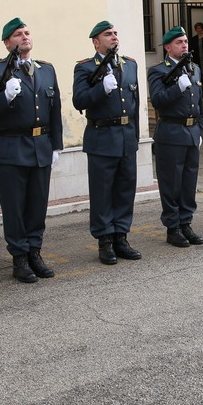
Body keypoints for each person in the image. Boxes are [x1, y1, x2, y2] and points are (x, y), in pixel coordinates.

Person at [0, 17, 63, 283]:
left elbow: (56, 110)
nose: (24, 37)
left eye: (27, 32)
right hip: (11, 147)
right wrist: (5, 97)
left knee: (37, 206)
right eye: (18, 34)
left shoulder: (46, 70)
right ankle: (19, 258)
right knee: (15, 207)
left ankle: (34, 252)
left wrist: (56, 145)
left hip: (40, 146)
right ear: (7, 43)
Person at [73, 21, 142, 265]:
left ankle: (121, 237)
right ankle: (104, 241)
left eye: (115, 33)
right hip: (102, 137)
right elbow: (79, 100)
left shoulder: (130, 64)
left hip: (126, 136)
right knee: (103, 193)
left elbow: (136, 104)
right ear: (95, 42)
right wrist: (101, 89)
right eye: (107, 34)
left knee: (125, 190)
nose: (113, 37)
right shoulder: (85, 68)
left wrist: (135, 138)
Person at [148, 26, 203, 247]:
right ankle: (173, 227)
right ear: (167, 47)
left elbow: (198, 104)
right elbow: (158, 100)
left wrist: (199, 129)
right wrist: (177, 88)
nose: (184, 45)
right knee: (171, 183)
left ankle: (186, 222)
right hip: (171, 132)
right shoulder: (159, 71)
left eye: (185, 41)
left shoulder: (195, 69)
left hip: (191, 132)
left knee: (189, 182)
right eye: (179, 42)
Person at [188, 22, 203, 87]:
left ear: (202, 29)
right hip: (197, 61)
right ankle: (200, 94)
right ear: (195, 29)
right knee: (199, 78)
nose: (199, 29)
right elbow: (191, 50)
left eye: (200, 28)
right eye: (197, 28)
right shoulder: (193, 39)